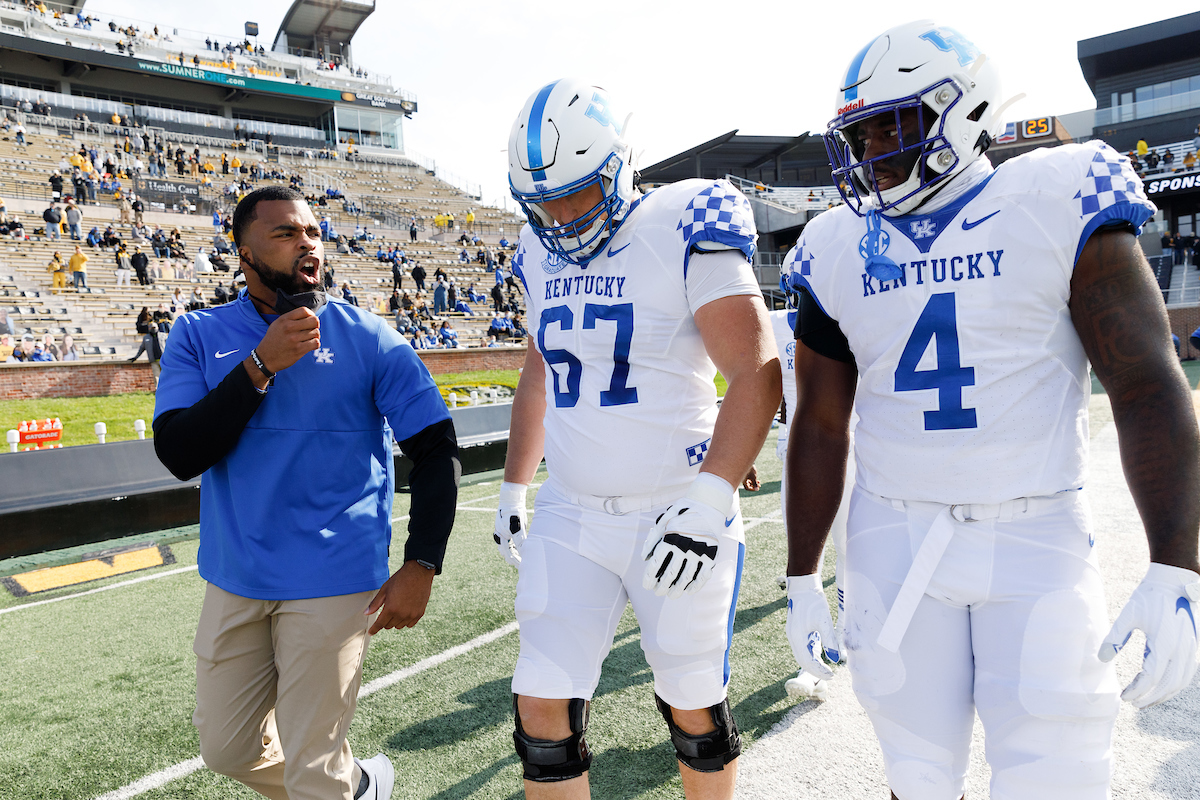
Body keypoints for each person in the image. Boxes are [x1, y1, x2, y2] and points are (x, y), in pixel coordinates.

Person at [783, 22, 1200, 800]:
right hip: (894, 537)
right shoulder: (835, 243)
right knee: (917, 778)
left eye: (892, 125)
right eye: (861, 132)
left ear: (963, 109)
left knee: (1059, 779)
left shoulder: (1053, 195)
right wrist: (801, 576)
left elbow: (1146, 382)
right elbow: (819, 423)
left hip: (1036, 533)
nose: (872, 149)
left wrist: (1177, 562)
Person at [496, 80, 780, 799]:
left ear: (620, 168)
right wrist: (513, 485)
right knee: (540, 711)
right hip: (572, 509)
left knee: (693, 707)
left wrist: (710, 498)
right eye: (544, 203)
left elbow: (756, 371)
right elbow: (539, 368)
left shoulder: (684, 221)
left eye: (577, 195)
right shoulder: (534, 248)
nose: (562, 218)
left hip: (674, 508)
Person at [152, 186, 460, 800]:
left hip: (334, 575)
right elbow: (180, 454)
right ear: (243, 252)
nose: (308, 245)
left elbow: (436, 449)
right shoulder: (196, 333)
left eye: (313, 232)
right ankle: (360, 786)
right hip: (236, 573)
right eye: (287, 234)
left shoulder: (369, 336)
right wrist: (260, 365)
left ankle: (334, 785)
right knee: (227, 748)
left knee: (312, 765)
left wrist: (423, 562)